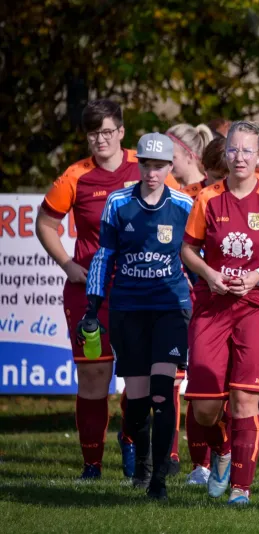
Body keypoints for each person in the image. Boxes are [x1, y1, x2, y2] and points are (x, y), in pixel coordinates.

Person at [35, 99, 177, 480]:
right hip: (90, 295)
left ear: (122, 132)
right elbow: (45, 223)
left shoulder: (145, 163)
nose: (101, 139)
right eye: (94, 133)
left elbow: (181, 211)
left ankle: (133, 442)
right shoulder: (76, 176)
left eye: (108, 131)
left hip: (142, 289)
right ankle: (92, 465)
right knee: (95, 376)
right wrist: (67, 264)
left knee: (142, 375)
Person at [181, 120, 259, 506]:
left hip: (258, 305)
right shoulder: (207, 198)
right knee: (203, 409)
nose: (239, 157)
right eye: (233, 149)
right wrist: (208, 273)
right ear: (225, 152)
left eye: (247, 151)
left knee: (245, 400)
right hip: (212, 305)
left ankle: (240, 489)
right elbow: (187, 250)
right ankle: (221, 451)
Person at [80, 133, 193, 499]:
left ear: (171, 166)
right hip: (128, 309)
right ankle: (142, 465)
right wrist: (92, 309)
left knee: (163, 394)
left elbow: (197, 256)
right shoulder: (117, 202)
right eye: (146, 164)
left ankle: (158, 478)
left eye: (160, 165)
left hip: (170, 308)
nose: (153, 172)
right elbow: (103, 256)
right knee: (137, 402)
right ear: (138, 164)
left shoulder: (184, 205)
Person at [180, 136, 228, 486]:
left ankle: (231, 460)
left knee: (235, 393)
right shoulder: (193, 200)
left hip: (242, 306)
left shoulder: (256, 198)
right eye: (212, 177)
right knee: (200, 387)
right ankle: (201, 463)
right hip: (199, 301)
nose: (217, 185)